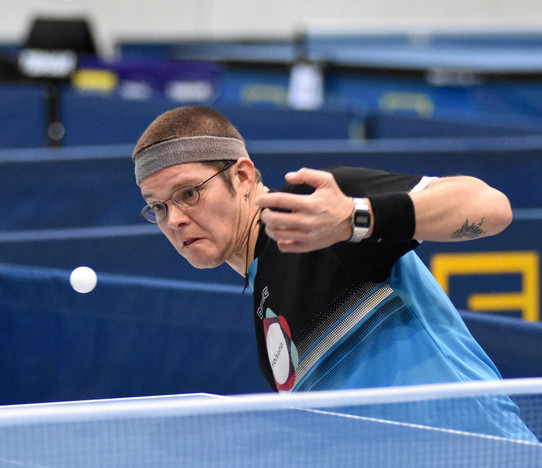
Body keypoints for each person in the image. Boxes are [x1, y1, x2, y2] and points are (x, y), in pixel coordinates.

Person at [132, 105, 536, 441]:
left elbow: (491, 207)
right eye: (159, 207)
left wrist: (355, 218)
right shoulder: (264, 302)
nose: (175, 220)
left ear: (242, 176)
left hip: (487, 453)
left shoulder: (320, 210)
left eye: (189, 193)